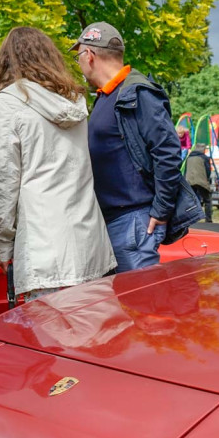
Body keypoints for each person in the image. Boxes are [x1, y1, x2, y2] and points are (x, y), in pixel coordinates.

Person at [0, 27, 115, 302]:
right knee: (94, 340)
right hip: (92, 246)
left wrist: (5, 246)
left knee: (51, 343)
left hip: (44, 251)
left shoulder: (6, 104)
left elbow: (2, 185)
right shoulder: (75, 101)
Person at [73, 21, 180, 272]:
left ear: (89, 55)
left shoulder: (137, 93)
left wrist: (162, 209)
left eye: (78, 55)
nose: (78, 63)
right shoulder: (106, 96)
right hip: (115, 221)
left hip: (133, 221)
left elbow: (168, 151)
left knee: (140, 308)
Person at [185, 143, 214, 222]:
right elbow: (208, 171)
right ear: (203, 150)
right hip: (201, 181)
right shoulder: (204, 158)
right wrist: (207, 180)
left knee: (191, 201)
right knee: (207, 200)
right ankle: (208, 220)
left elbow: (185, 170)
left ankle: (191, 219)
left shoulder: (189, 157)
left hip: (189, 181)